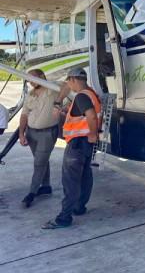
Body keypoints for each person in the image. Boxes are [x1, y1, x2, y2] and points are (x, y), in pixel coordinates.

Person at [42, 67, 101, 229]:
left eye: (69, 81)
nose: (68, 85)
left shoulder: (82, 96)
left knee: (71, 181)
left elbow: (90, 115)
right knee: (85, 176)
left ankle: (64, 218)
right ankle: (79, 207)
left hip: (77, 144)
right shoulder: (91, 93)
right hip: (86, 144)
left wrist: (93, 134)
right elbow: (84, 115)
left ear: (74, 80)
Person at [18, 69, 69, 208]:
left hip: (47, 133)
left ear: (42, 77)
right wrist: (21, 133)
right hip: (31, 133)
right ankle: (46, 186)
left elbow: (68, 85)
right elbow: (24, 115)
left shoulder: (52, 89)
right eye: (29, 79)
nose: (31, 82)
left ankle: (32, 193)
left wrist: (58, 101)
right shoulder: (30, 94)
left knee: (39, 163)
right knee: (41, 160)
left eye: (33, 78)